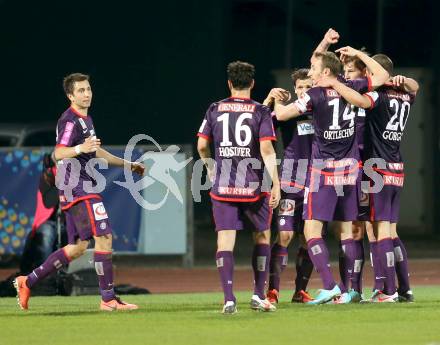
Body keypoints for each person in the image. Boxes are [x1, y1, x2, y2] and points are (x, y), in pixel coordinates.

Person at [14, 73, 145, 311]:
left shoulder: (87, 119)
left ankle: (28, 281)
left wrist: (127, 164)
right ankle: (108, 299)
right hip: (78, 187)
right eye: (81, 91)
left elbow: (95, 152)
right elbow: (59, 152)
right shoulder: (70, 120)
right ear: (70, 95)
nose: (86, 94)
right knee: (104, 237)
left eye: (88, 89)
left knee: (78, 247)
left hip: (79, 187)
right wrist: (79, 147)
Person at [273, 49, 389, 304]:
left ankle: (329, 285)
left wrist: (276, 101)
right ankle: (347, 291)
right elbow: (382, 74)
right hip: (350, 171)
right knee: (346, 231)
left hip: (323, 171)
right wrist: (359, 53)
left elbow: (281, 116)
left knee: (311, 229)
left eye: (314, 69)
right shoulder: (353, 84)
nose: (311, 73)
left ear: (325, 72)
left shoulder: (314, 95)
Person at [330, 51, 418, 302]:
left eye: (351, 71)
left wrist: (334, 84)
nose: (347, 75)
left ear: (368, 72)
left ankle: (385, 289)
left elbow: (359, 100)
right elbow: (414, 86)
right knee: (385, 231)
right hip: (393, 167)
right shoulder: (404, 94)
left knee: (373, 231)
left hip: (371, 168)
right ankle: (402, 289)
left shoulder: (375, 96)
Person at [197, 61, 280, 314]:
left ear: (230, 83)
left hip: (223, 187)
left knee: (225, 241)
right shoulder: (260, 111)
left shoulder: (215, 108)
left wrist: (211, 168)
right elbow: (266, 150)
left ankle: (229, 299)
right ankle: (257, 295)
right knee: (262, 236)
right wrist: (276, 183)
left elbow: (201, 145)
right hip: (254, 187)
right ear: (253, 84)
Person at [263, 69, 315, 304]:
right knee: (285, 235)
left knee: (310, 238)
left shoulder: (324, 111)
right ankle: (272, 290)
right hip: (291, 181)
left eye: (308, 87)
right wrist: (268, 100)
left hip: (317, 182)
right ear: (295, 89)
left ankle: (300, 291)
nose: (304, 91)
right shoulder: (287, 113)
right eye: (301, 87)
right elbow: (260, 124)